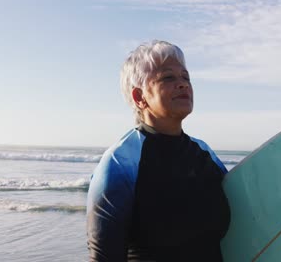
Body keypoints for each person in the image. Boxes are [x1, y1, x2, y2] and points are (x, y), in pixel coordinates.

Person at [87, 40, 230, 262]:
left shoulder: (204, 153)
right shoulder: (120, 162)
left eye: (186, 77)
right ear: (139, 97)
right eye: (168, 78)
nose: (183, 84)